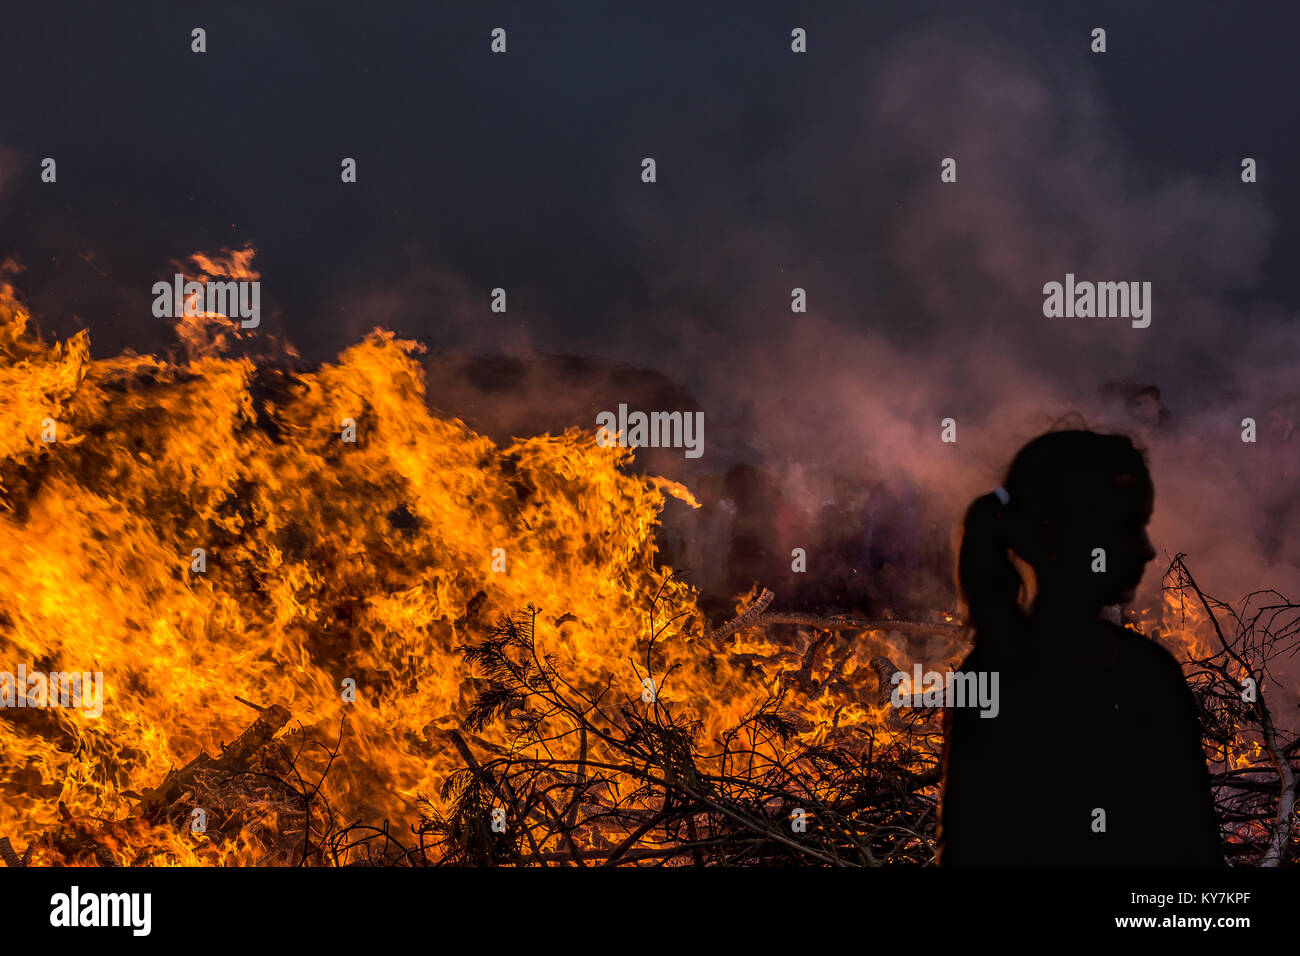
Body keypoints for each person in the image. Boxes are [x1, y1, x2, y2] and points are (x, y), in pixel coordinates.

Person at [937, 430, 1223, 865]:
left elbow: (964, 851)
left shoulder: (987, 674)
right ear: (1069, 537)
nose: (1147, 549)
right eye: (1129, 527)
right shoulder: (1144, 674)